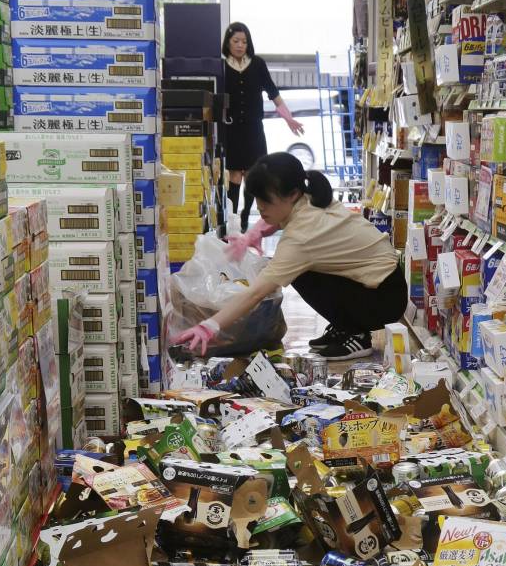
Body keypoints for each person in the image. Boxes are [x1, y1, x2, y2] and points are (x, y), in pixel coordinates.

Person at [173, 152, 408, 361]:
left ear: (292, 193)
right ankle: (346, 326)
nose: (260, 207)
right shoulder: (311, 197)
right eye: (257, 199)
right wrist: (251, 235)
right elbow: (275, 219)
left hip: (383, 299)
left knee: (293, 271)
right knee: (292, 268)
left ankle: (357, 333)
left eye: (266, 201)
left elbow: (256, 293)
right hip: (385, 284)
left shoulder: (302, 236)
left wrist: (209, 326)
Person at [223, 22, 305, 232]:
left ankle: (244, 216)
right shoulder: (222, 66)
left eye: (244, 41)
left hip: (253, 129)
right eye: (236, 41)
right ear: (228, 43)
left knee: (252, 174)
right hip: (231, 129)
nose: (240, 45)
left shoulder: (257, 64)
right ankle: (231, 217)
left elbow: (273, 93)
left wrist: (289, 118)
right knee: (234, 175)